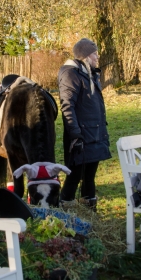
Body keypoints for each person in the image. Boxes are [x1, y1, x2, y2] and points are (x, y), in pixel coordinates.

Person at [58, 38, 110, 208]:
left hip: (94, 133)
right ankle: (66, 210)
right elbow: (67, 105)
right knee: (74, 175)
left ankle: (89, 212)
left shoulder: (90, 73)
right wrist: (75, 134)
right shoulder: (70, 74)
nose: (97, 57)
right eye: (94, 54)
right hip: (81, 135)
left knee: (89, 176)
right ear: (86, 56)